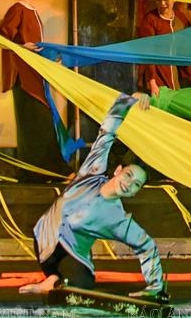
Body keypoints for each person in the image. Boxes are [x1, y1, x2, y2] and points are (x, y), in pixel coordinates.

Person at [19, 93, 167, 301]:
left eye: (136, 185)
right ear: (118, 171)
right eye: (128, 175)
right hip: (44, 238)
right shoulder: (93, 171)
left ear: (135, 192)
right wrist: (128, 100)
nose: (129, 184)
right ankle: (55, 278)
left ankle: (53, 280)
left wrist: (155, 286)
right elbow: (107, 132)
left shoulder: (117, 219)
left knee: (83, 286)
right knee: (73, 281)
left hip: (70, 254)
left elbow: (147, 245)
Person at [0, 0, 71, 178]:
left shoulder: (33, 11)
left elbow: (35, 45)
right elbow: (2, 39)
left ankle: (47, 171)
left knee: (41, 121)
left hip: (36, 74)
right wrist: (22, 47)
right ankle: (39, 172)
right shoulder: (17, 9)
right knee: (34, 121)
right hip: (24, 77)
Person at [134, 0, 191, 95]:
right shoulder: (150, 19)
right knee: (153, 102)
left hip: (173, 74)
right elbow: (147, 51)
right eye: (158, 0)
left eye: (166, 0)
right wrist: (152, 82)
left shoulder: (180, 18)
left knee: (172, 97)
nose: (162, 3)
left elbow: (183, 50)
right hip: (155, 74)